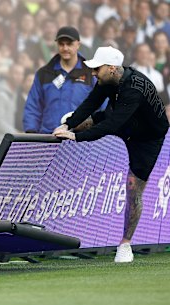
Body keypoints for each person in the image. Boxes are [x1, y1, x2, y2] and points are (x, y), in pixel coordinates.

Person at [53, 46, 169, 263]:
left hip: (147, 139)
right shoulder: (108, 80)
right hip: (123, 120)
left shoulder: (135, 88)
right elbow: (91, 103)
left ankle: (125, 244)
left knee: (133, 188)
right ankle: (67, 125)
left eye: (98, 68)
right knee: (76, 123)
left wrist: (77, 138)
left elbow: (113, 124)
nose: (94, 73)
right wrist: (69, 126)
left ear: (112, 68)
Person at [23, 26, 97, 134]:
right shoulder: (44, 74)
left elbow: (101, 106)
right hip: (49, 138)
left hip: (80, 140)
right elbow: (33, 107)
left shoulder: (91, 73)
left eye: (69, 44)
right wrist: (31, 133)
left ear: (78, 45)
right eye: (61, 44)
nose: (65, 48)